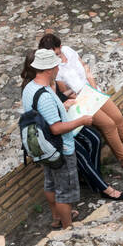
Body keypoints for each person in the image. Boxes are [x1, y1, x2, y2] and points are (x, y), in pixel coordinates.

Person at [38, 33, 123, 175]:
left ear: (60, 47)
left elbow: (85, 67)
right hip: (82, 100)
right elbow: (66, 91)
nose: (55, 57)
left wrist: (92, 86)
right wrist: (88, 93)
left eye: (56, 53)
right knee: (109, 124)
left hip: (93, 90)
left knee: (118, 118)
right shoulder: (55, 68)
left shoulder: (68, 50)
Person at [20, 48, 93, 230]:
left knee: (50, 183)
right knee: (64, 192)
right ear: (48, 70)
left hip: (44, 147)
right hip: (60, 149)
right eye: (56, 65)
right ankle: (67, 227)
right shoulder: (44, 96)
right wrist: (82, 121)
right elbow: (56, 127)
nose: (59, 68)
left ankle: (56, 217)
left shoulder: (30, 88)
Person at [73, 124, 123, 201]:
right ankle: (104, 188)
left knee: (95, 139)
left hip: (68, 121)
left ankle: (94, 180)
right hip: (56, 133)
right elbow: (55, 129)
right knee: (81, 155)